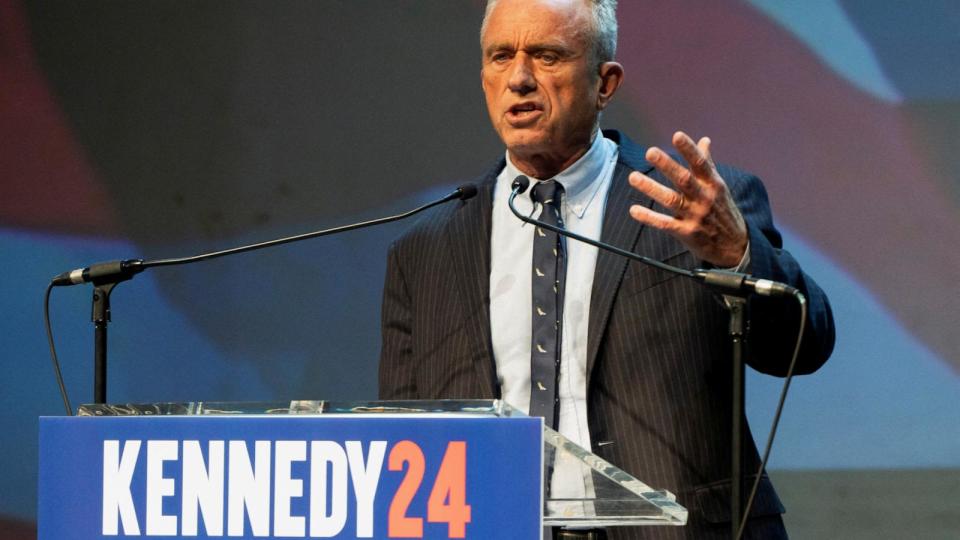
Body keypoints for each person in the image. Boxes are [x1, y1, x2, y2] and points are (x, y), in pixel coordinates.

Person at [379, 0, 835, 538]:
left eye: (547, 56)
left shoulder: (693, 209)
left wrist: (737, 251)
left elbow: (802, 346)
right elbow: (405, 442)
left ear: (605, 83)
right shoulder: (426, 251)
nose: (519, 78)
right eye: (500, 56)